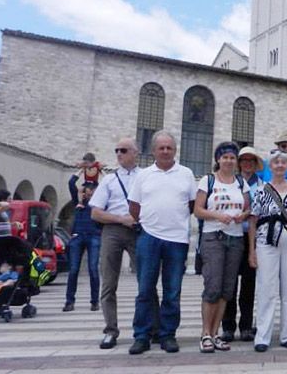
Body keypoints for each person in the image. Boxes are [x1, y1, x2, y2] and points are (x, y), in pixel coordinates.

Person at [127, 130, 197, 355]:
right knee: (145, 289)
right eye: (161, 147)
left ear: (175, 150)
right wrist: (150, 223)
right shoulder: (143, 175)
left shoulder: (186, 174)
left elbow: (192, 205)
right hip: (149, 237)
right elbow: (134, 207)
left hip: (177, 240)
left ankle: (168, 335)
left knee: (172, 291)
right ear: (153, 151)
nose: (165, 151)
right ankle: (142, 335)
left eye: (169, 147)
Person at [90, 138, 150, 349]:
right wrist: (120, 219)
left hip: (138, 230)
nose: (119, 154)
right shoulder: (109, 180)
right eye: (116, 150)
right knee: (108, 282)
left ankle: (148, 328)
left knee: (146, 280)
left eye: (123, 150)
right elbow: (96, 212)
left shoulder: (146, 176)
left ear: (135, 153)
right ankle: (110, 330)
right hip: (113, 230)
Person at [194, 141, 251, 353]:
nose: (228, 160)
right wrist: (217, 215)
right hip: (213, 237)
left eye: (232, 157)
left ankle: (216, 332)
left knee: (227, 289)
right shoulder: (207, 181)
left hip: (235, 239)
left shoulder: (240, 182)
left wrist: (241, 216)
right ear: (218, 159)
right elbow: (198, 210)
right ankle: (205, 333)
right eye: (225, 157)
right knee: (213, 287)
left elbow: (248, 208)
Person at [249, 149, 287, 352]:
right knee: (266, 289)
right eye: (276, 162)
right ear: (270, 166)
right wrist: (252, 250)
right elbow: (253, 220)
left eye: (283, 162)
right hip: (265, 243)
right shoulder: (262, 190)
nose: (280, 165)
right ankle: (262, 336)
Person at [221, 146, 264, 342]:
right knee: (229, 282)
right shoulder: (230, 182)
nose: (247, 163)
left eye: (251, 160)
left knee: (249, 284)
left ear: (256, 164)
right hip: (230, 234)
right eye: (244, 160)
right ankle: (227, 326)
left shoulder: (263, 185)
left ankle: (246, 325)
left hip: (252, 238)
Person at [63, 169, 102, 313]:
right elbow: (71, 182)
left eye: (93, 188)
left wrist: (100, 171)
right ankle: (69, 301)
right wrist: (82, 169)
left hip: (94, 235)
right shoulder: (78, 201)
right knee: (73, 270)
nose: (90, 191)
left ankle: (94, 301)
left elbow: (108, 186)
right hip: (78, 236)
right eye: (88, 188)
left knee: (93, 269)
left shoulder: (100, 203)